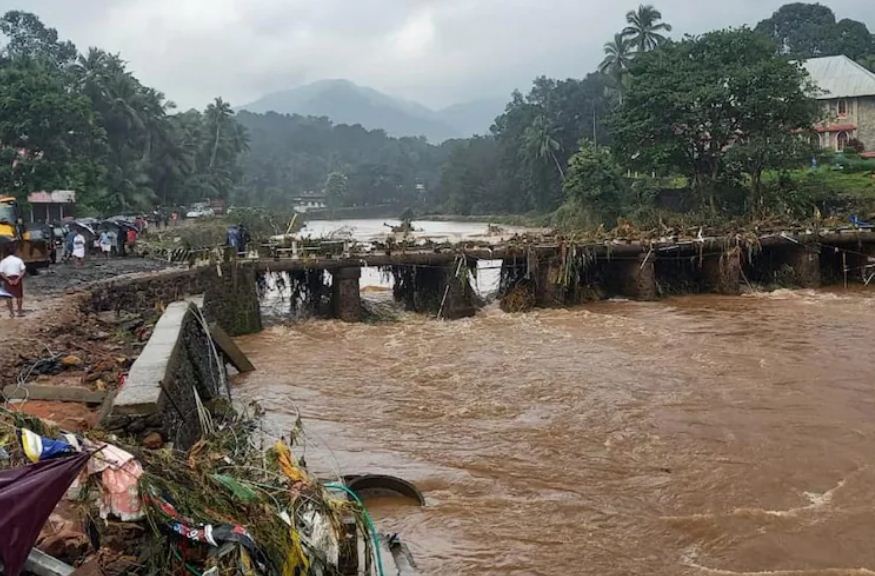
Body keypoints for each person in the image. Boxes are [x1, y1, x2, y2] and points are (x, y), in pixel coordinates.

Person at [0, 244, 26, 318]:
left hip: (7, 279)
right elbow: (23, 270)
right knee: (19, 296)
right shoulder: (18, 260)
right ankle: (20, 312)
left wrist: (8, 280)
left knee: (8, 297)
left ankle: (12, 313)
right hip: (17, 278)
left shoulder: (3, 261)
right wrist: (18, 279)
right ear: (14, 252)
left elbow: (1, 272)